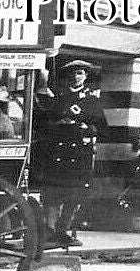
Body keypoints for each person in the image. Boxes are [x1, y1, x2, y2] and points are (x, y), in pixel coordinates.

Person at [31, 61, 107, 249]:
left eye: (80, 73)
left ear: (85, 76)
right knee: (53, 193)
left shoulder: (91, 101)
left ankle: (63, 231)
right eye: (73, 73)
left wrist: (86, 128)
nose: (76, 77)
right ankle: (50, 230)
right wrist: (58, 124)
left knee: (74, 194)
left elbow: (102, 127)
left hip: (79, 153)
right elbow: (45, 122)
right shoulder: (59, 98)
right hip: (58, 152)